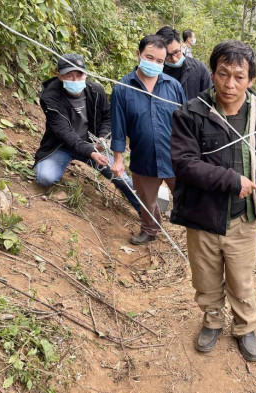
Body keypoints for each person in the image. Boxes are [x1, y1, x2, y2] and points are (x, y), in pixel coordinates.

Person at [170, 40, 256, 362]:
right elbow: (184, 164)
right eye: (223, 74)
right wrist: (232, 180)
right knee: (205, 278)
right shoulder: (191, 113)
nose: (230, 84)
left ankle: (245, 326)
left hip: (242, 218)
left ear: (250, 80)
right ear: (213, 74)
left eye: (239, 77)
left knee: (241, 279)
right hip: (203, 215)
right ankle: (212, 320)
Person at [34, 53, 141, 214]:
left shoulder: (95, 91)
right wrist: (90, 151)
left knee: (122, 178)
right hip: (62, 147)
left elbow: (107, 117)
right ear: (59, 76)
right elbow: (64, 132)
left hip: (93, 145)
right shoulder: (50, 97)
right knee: (45, 178)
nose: (75, 80)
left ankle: (146, 213)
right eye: (69, 76)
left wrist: (101, 139)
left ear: (86, 73)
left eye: (79, 75)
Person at [110, 35, 186, 245]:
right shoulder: (122, 89)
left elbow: (186, 122)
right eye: (149, 57)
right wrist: (118, 159)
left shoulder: (173, 86)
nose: (154, 64)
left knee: (187, 196)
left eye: (160, 61)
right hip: (143, 157)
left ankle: (194, 233)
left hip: (175, 157)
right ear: (138, 54)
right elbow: (118, 127)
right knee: (147, 199)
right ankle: (150, 230)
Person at [156, 26, 211, 101]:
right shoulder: (157, 73)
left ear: (181, 45)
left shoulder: (199, 69)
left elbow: (210, 100)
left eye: (176, 52)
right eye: (167, 56)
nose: (174, 59)